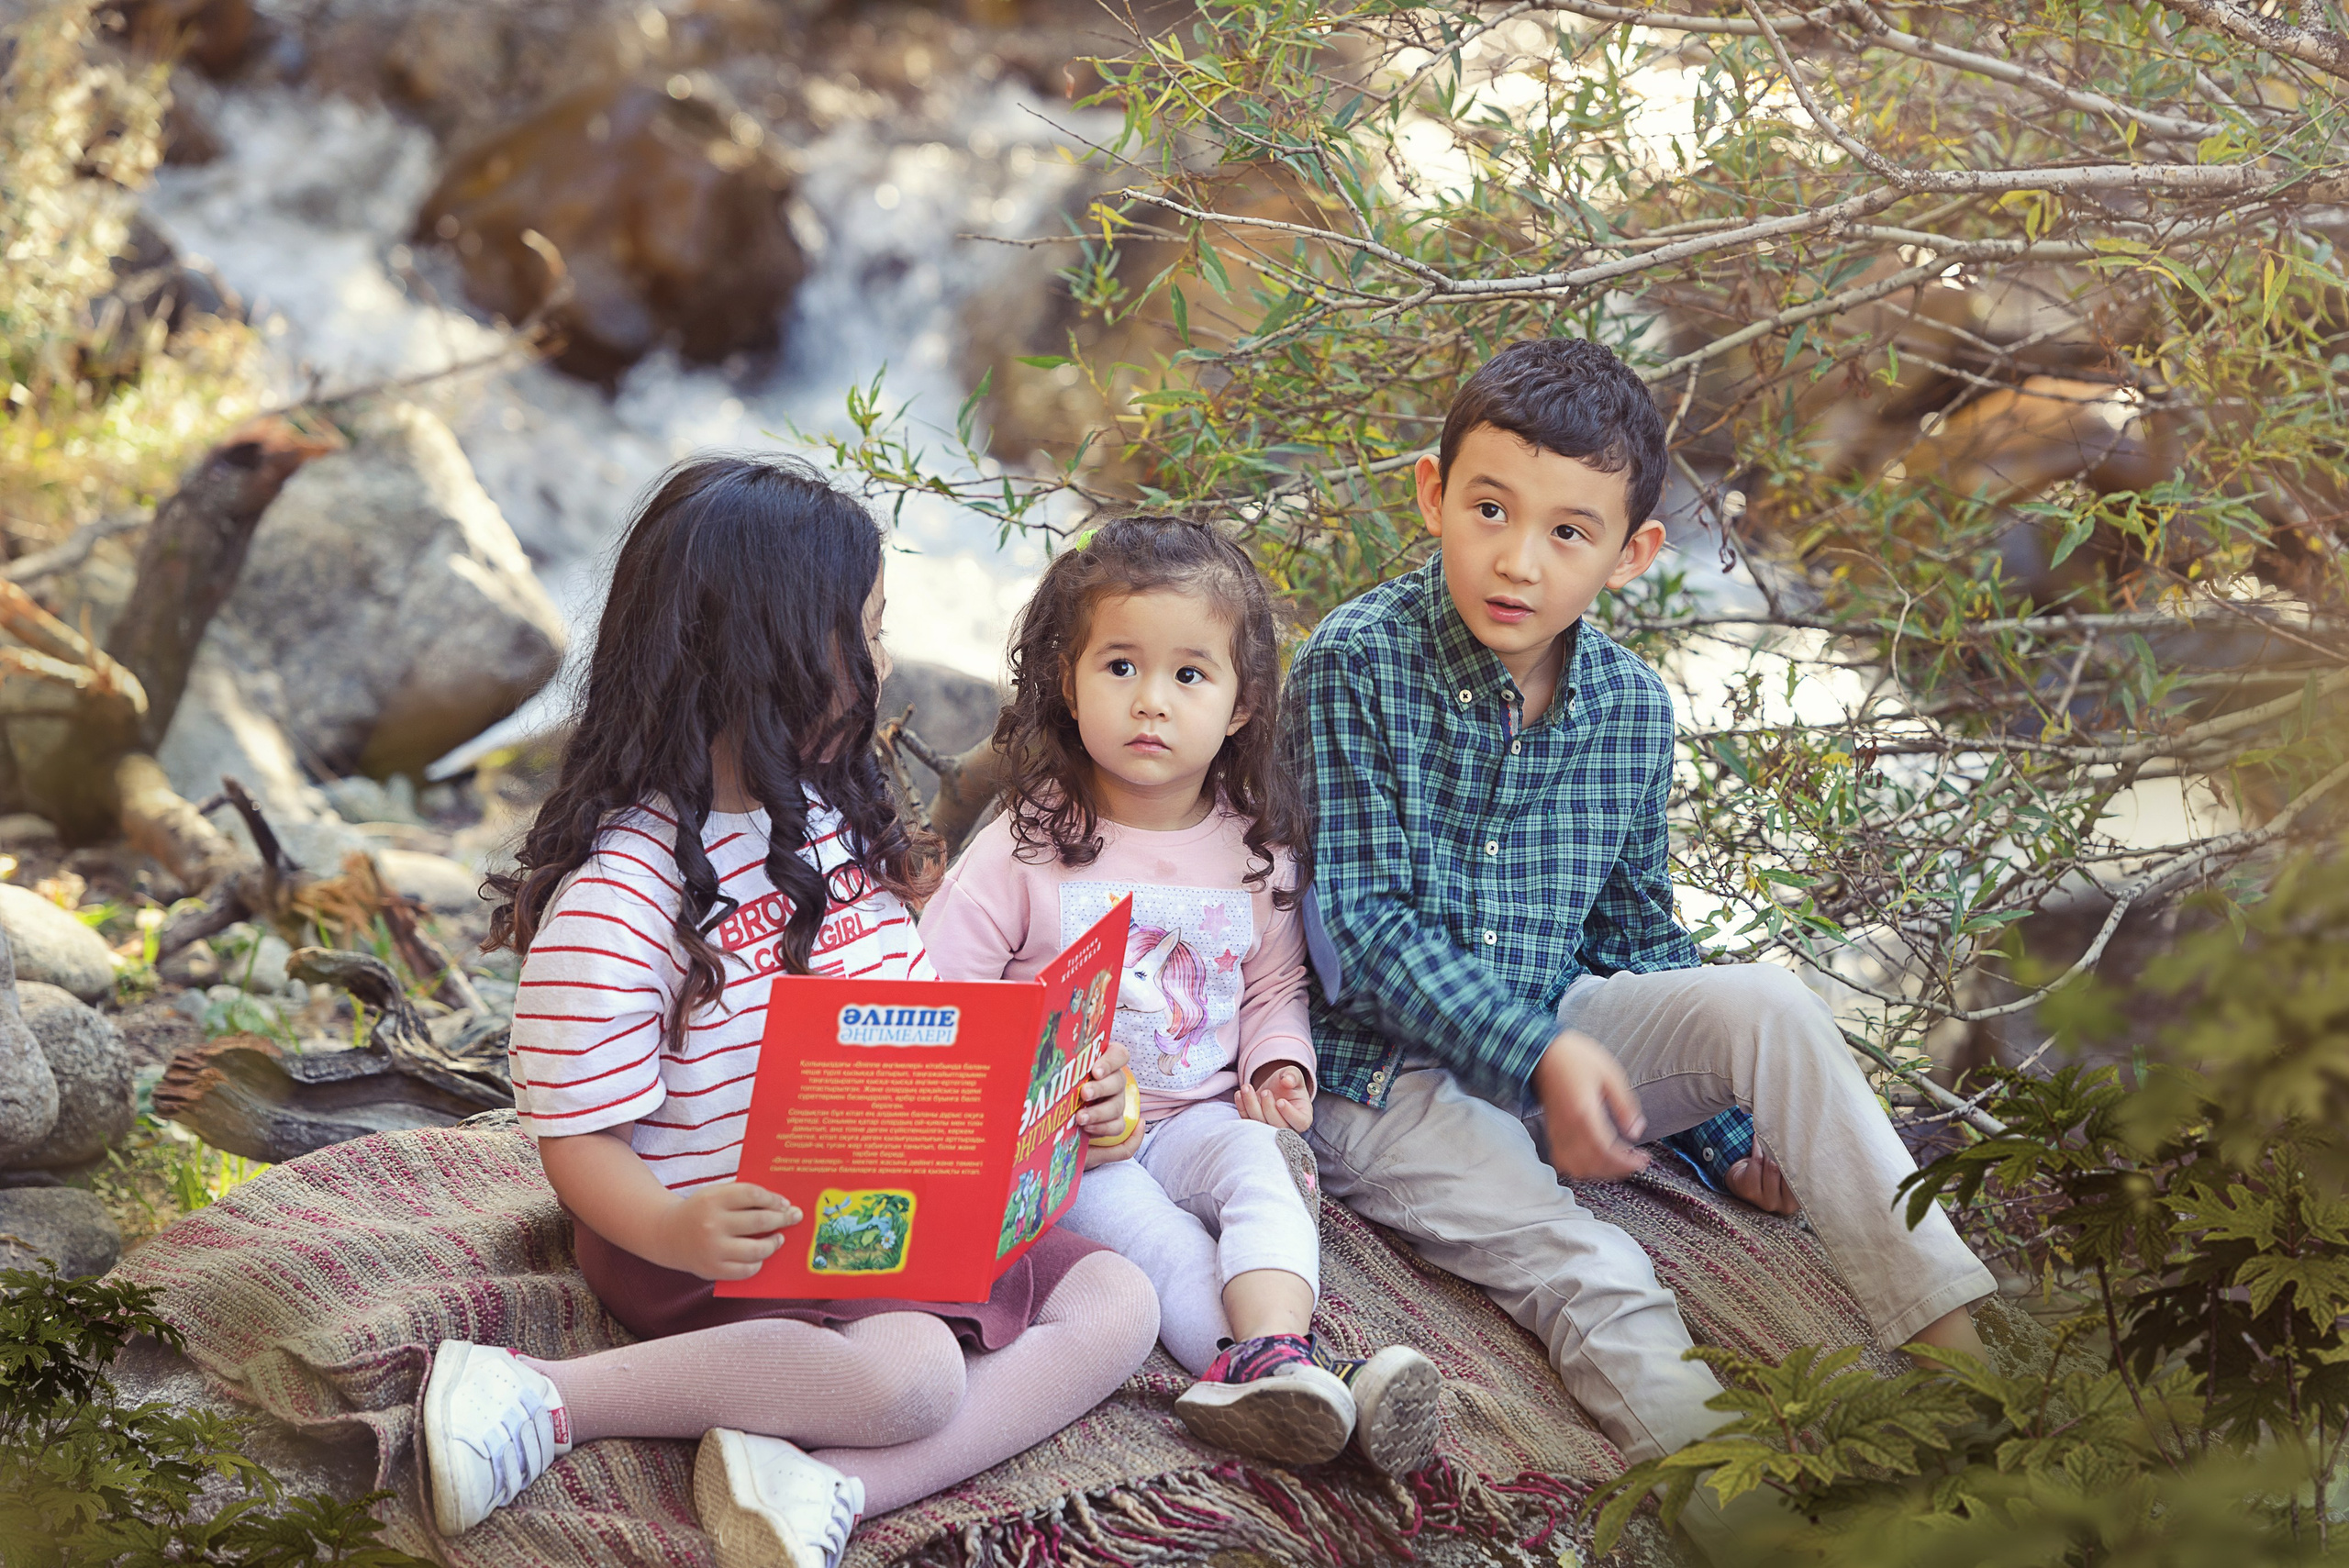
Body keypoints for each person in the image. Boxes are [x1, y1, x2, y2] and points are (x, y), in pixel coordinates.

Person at [1283, 339, 1996, 1552]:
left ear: (1632, 553)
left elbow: (1636, 931)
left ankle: (1971, 1381)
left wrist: (1720, 1136)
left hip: (1555, 1017)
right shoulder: (1354, 665)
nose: (1519, 559)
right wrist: (1544, 1059)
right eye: (1490, 509)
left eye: (1570, 532)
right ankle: (1756, 1525)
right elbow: (1360, 930)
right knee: (1592, 1261)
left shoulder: (1626, 706)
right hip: (1381, 1078)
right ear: (1430, 493)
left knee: (1766, 1002)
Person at [422, 457, 1158, 1568]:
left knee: (1120, 1299)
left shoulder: (824, 821)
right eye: (863, 630)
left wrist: (1060, 1099)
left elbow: (916, 1027)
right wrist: (674, 1224)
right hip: (714, 1240)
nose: (886, 658)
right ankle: (544, 1394)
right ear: (764, 650)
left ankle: (831, 1488)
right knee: (912, 1371)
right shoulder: (627, 891)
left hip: (873, 1215)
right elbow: (576, 1138)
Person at [921, 517, 1442, 1476]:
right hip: (1076, 1149)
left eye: (1188, 675)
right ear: (1065, 681)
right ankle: (1281, 1377)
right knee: (1156, 1248)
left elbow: (1275, 985)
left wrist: (1279, 1062)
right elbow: (940, 1001)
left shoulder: (1253, 847)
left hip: (1199, 1114)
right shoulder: (1023, 843)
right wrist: (1038, 1095)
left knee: (1264, 1170)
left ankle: (1280, 1351)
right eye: (1119, 666)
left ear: (1242, 704)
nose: (1150, 701)